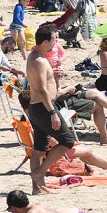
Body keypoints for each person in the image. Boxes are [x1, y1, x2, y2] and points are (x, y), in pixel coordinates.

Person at [26, 24, 75, 195]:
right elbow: (41, 89)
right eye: (54, 39)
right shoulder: (39, 60)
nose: (56, 42)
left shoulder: (36, 56)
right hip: (44, 107)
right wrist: (53, 112)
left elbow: (43, 83)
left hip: (37, 107)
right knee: (67, 141)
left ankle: (36, 188)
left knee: (39, 149)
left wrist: (54, 75)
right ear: (45, 41)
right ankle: (39, 174)